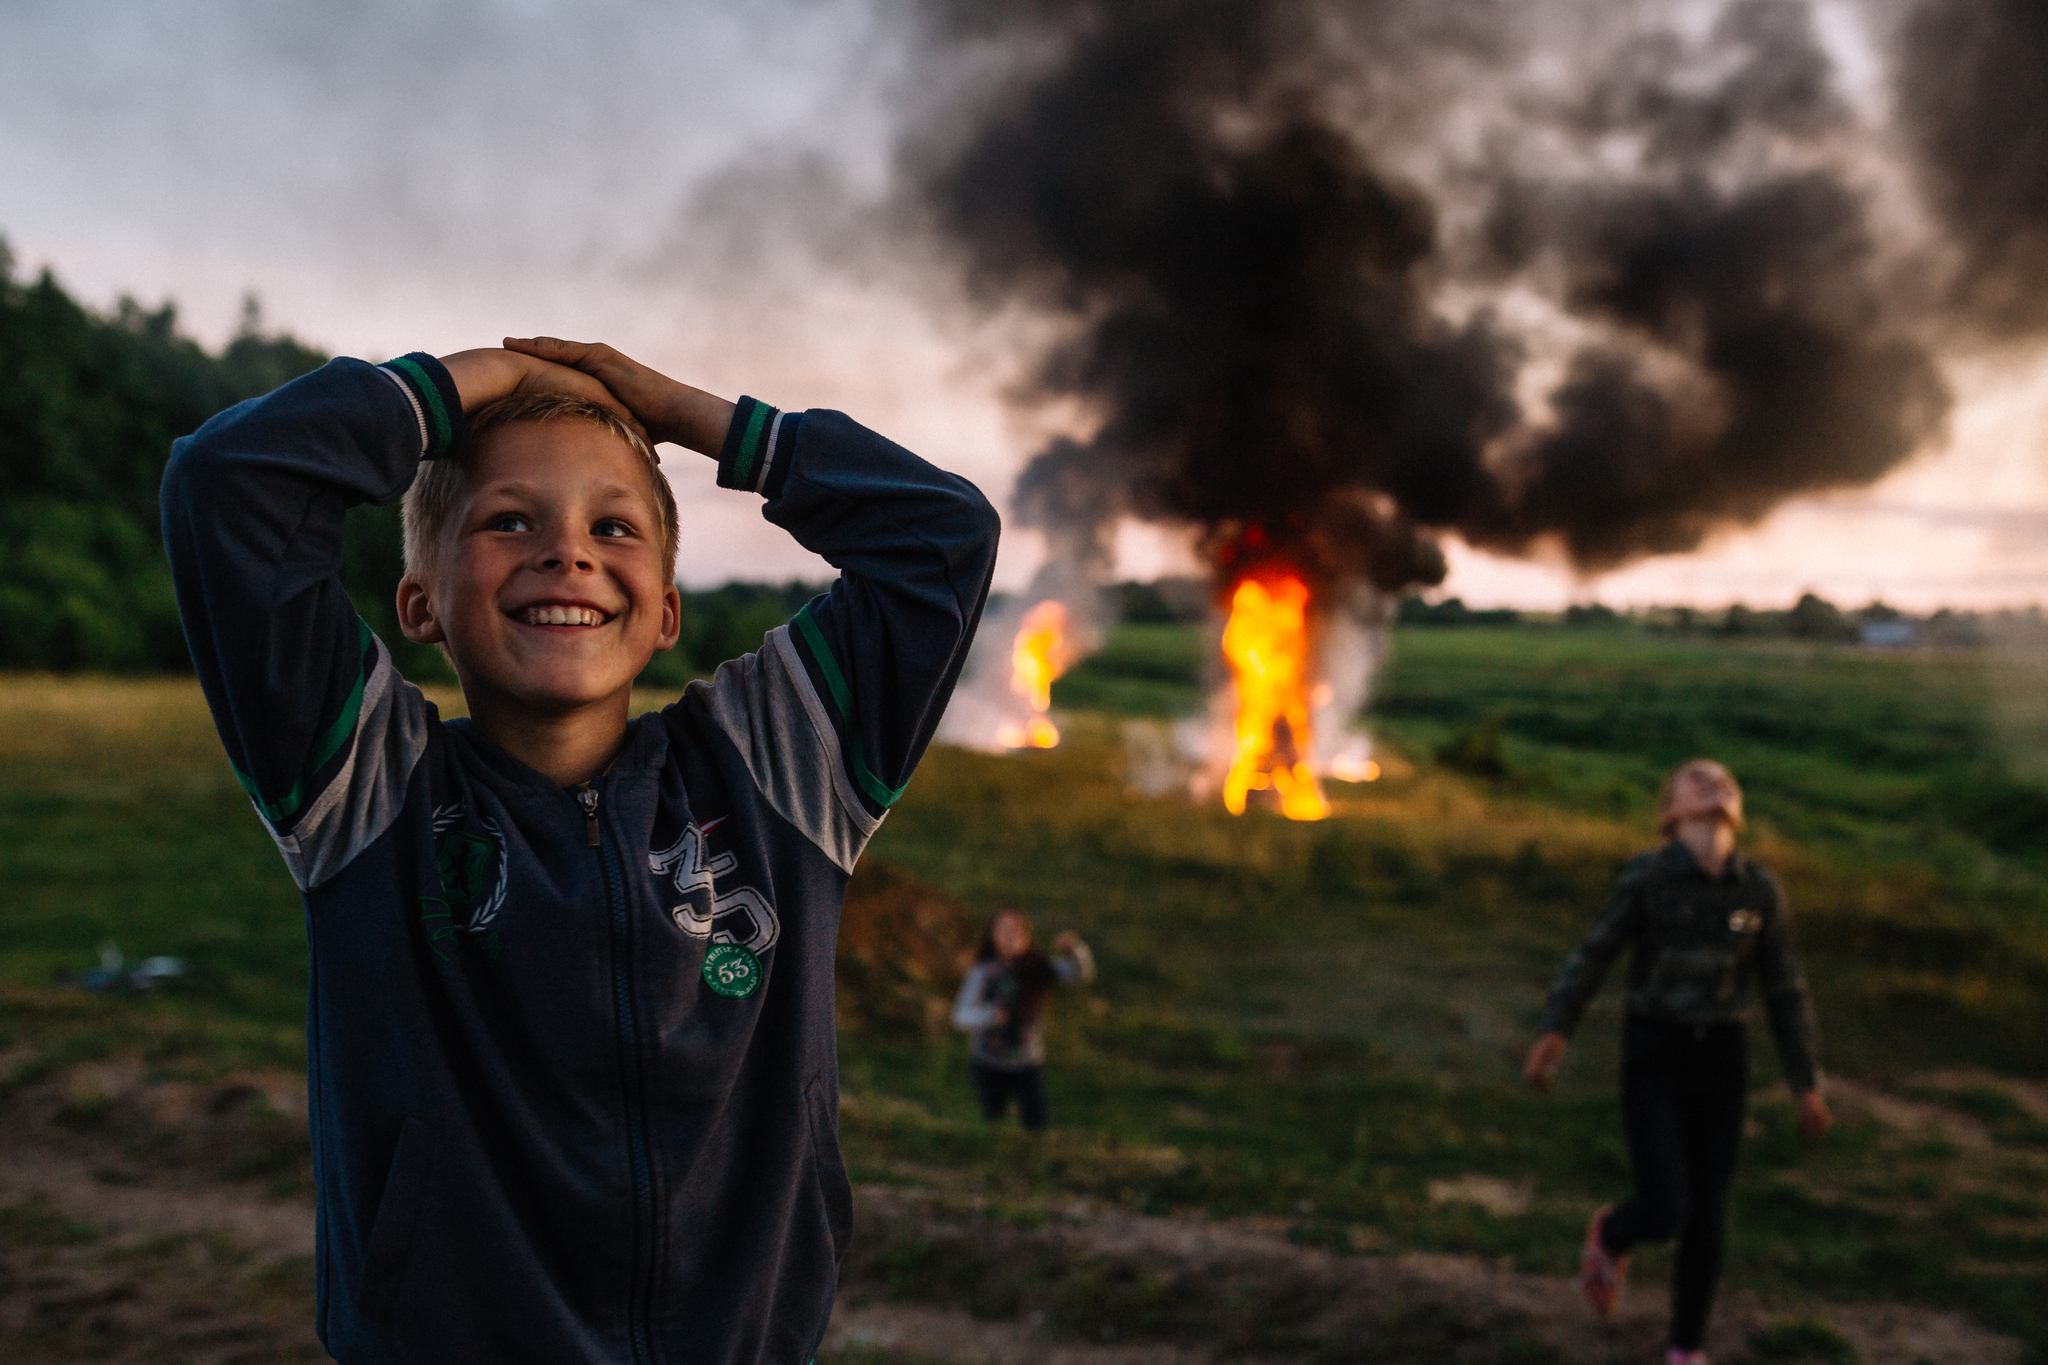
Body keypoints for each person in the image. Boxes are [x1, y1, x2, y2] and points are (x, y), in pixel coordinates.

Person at [161, 336, 999, 1364]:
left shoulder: (779, 769)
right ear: (419, 601)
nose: (567, 552)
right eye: (508, 520)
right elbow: (226, 485)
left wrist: (695, 417)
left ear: (666, 614)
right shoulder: (367, 792)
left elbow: (942, 539)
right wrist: (482, 380)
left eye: (614, 526)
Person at [1522, 759, 1832, 1365]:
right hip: (1654, 1052)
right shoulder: (1648, 877)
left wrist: (1805, 1082)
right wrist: (1558, 1027)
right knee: (1667, 1206)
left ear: (1738, 811)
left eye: (1726, 780)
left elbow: (1784, 988)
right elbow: (1595, 954)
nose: (1715, 783)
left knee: (1708, 1217)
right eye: (1697, 779)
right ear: (1671, 814)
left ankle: (1685, 1349)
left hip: (1721, 1057)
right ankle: (1611, 1234)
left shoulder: (1758, 890)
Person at [951, 909, 1095, 1130]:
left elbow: (1081, 974)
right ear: (991, 936)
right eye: (1003, 929)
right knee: (993, 1118)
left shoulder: (1039, 967)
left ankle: (1031, 1154)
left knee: (1036, 1121)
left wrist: (1075, 949)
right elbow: (960, 1016)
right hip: (989, 1062)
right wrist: (990, 1015)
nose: (1010, 935)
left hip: (1028, 1062)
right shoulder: (982, 972)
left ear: (1027, 935)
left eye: (1016, 929)